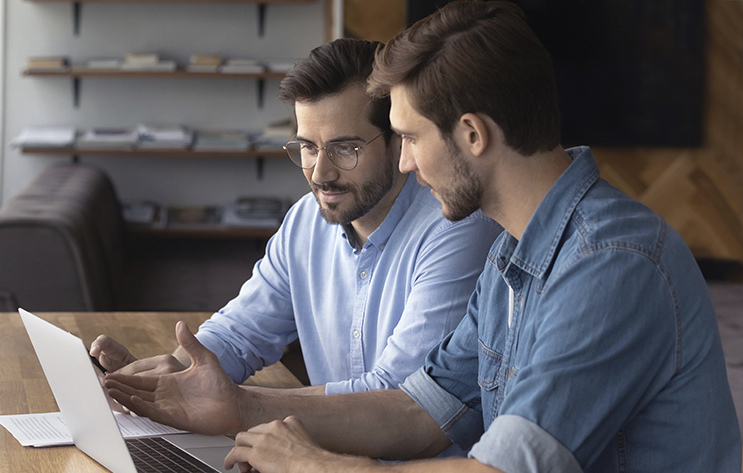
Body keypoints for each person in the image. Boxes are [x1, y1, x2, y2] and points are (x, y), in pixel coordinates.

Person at [103, 1, 742, 472]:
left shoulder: (610, 262)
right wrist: (237, 408)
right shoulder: (512, 255)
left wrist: (323, 465)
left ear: (471, 134)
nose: (404, 164)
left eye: (408, 138)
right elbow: (418, 412)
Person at [92, 38, 502, 396]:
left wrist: (236, 408)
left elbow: (399, 395)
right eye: (307, 147)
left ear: (398, 140)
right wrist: (175, 375)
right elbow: (241, 332)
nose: (320, 173)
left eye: (345, 149)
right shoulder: (306, 220)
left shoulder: (456, 228)